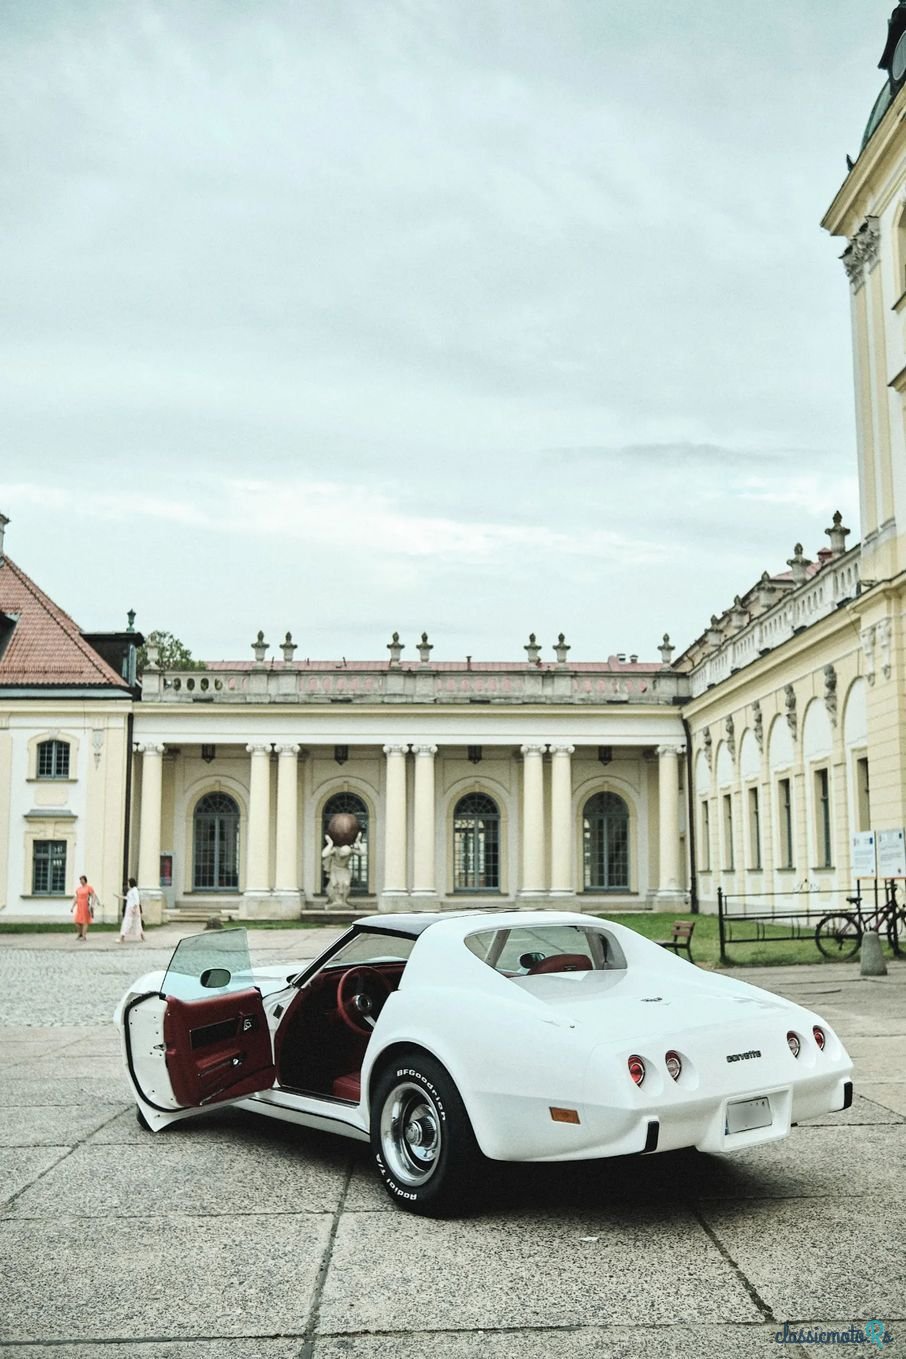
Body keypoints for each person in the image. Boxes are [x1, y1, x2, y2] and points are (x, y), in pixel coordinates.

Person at [114, 878, 144, 943]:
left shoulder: (134, 890)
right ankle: (142, 937)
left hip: (132, 908)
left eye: (129, 883)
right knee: (137, 922)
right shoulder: (132, 890)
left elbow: (137, 900)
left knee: (127, 922)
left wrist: (134, 908)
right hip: (132, 908)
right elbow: (127, 898)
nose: (128, 884)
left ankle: (122, 938)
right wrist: (119, 896)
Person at [71, 875, 96, 941]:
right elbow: (76, 898)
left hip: (85, 906)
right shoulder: (78, 889)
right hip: (79, 906)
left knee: (85, 921)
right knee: (77, 921)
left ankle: (84, 936)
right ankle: (80, 934)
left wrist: (92, 905)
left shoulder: (89, 887)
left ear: (85, 880)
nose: (81, 881)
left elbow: (93, 896)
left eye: (82, 879)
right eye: (80, 880)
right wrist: (72, 907)